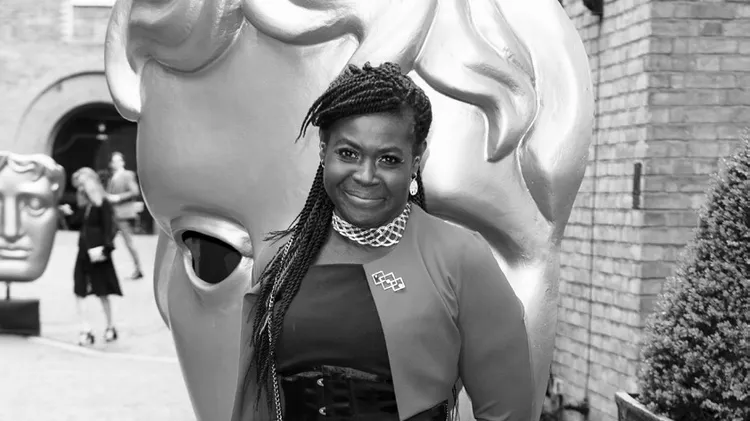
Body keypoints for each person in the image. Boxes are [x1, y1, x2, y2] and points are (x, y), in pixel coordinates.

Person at [232, 63, 533, 421]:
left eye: (388, 159)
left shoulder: (460, 258)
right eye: (348, 153)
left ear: (416, 160)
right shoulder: (280, 260)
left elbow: (508, 411)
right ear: (323, 150)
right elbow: (256, 401)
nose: (366, 176)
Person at [59, 167, 122, 346]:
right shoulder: (87, 206)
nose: (80, 189)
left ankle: (110, 326)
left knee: (103, 290)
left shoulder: (103, 204)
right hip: (84, 251)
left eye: (82, 185)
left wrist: (106, 249)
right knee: (79, 288)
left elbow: (110, 228)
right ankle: (85, 328)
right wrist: (68, 213)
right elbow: (76, 222)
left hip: (98, 252)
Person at [106, 151, 143, 280]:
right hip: (113, 215)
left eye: (117, 160)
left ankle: (138, 269)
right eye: (113, 161)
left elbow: (135, 191)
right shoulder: (113, 177)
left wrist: (118, 197)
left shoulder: (127, 175)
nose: (115, 163)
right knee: (106, 241)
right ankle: (101, 269)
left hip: (122, 215)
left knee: (128, 243)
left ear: (122, 162)